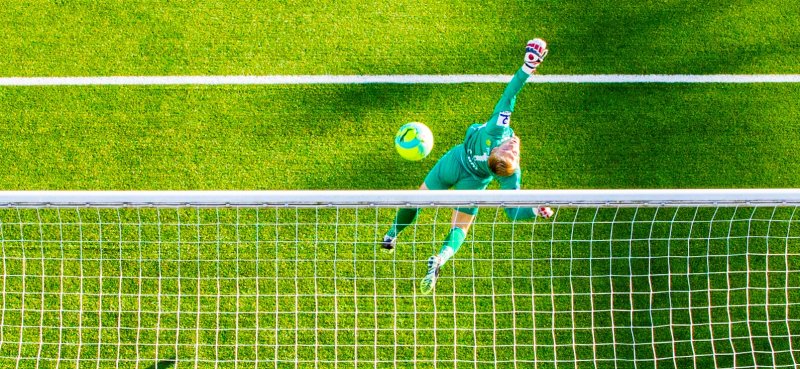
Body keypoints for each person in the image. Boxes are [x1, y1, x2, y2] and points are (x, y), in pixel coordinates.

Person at [380, 38, 555, 295]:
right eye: (513, 150)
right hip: (474, 182)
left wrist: (527, 68)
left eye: (512, 151)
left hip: (455, 162)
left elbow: (510, 95)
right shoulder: (509, 175)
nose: (514, 147)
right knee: (460, 227)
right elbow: (512, 211)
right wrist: (533, 210)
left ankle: (391, 235)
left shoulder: (498, 129)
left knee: (417, 199)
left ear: (498, 151)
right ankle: (441, 258)